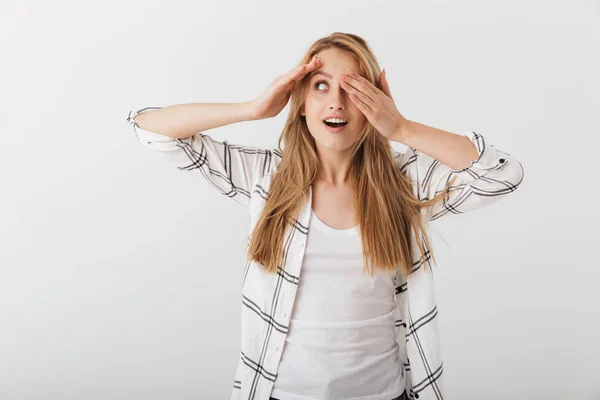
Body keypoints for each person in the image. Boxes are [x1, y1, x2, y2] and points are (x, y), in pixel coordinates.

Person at [127, 32, 524, 400]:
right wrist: (252, 109)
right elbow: (151, 128)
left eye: (353, 89)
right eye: (321, 86)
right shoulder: (267, 180)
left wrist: (402, 128)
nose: (337, 102)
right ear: (300, 103)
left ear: (374, 103)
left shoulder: (404, 183)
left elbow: (503, 175)